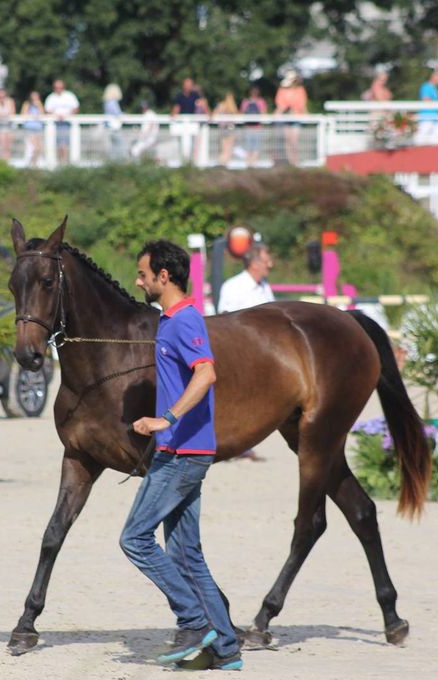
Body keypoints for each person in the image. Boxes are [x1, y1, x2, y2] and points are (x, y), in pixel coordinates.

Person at [123, 240, 243, 672]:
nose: (138, 281)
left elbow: (206, 373)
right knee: (186, 553)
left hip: (181, 453)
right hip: (184, 452)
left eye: (143, 275)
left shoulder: (184, 320)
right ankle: (227, 647)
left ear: (164, 277)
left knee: (134, 539)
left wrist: (165, 419)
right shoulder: (170, 319)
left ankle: (193, 622)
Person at [217, 243, 275, 313]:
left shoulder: (264, 285)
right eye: (266, 262)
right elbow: (225, 318)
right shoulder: (232, 287)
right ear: (254, 264)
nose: (270, 265)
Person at [274, 70, 308, 165]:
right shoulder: (282, 90)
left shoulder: (300, 90)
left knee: (294, 140)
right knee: (288, 140)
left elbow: (302, 105)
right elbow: (280, 105)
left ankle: (295, 161)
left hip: (296, 118)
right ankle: (290, 162)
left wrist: (306, 115)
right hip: (286, 118)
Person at [45, 79, 80, 164]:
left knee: (65, 145)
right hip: (54, 125)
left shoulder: (69, 96)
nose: (58, 89)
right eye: (57, 87)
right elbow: (47, 110)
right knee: (57, 145)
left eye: (60, 87)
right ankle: (60, 162)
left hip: (67, 124)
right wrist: (56, 115)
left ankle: (65, 163)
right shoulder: (51, 97)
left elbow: (76, 108)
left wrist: (67, 116)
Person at [239, 86, 268, 166]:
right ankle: (251, 163)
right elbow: (263, 113)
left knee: (251, 145)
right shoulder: (260, 102)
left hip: (250, 127)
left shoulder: (246, 102)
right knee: (254, 146)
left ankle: (250, 163)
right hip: (255, 127)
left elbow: (242, 113)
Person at [416, 69, 438, 145]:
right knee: (421, 141)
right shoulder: (426, 87)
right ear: (434, 77)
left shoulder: (435, 88)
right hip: (426, 118)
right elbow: (426, 100)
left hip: (435, 118)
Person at [213, 93, 238, 166]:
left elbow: (215, 113)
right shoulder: (232, 106)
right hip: (229, 128)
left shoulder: (221, 105)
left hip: (223, 128)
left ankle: (222, 162)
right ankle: (224, 162)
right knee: (228, 147)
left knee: (224, 147)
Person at [0, 88, 16, 160]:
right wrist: (1, 115)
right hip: (0, 126)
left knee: (9, 146)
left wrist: (2, 115)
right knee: (2, 145)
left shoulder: (10, 101)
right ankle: (3, 161)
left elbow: (12, 112)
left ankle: (8, 160)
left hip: (9, 126)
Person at [102, 83, 125, 161]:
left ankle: (113, 163)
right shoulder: (112, 102)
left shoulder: (107, 102)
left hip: (109, 128)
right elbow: (117, 114)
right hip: (114, 128)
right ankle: (119, 164)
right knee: (120, 147)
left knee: (113, 147)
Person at [22, 91, 45, 167]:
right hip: (29, 129)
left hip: (38, 129)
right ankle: (30, 164)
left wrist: (38, 105)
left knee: (38, 148)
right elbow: (23, 114)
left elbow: (42, 114)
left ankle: (34, 164)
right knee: (32, 148)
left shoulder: (40, 104)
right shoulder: (26, 104)